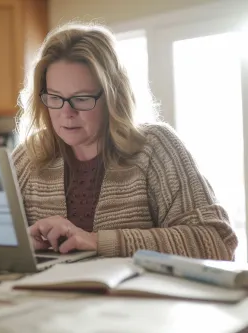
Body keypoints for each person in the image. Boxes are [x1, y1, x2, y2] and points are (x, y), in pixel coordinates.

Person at [12, 22, 238, 261]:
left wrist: (97, 241)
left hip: (138, 297)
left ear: (113, 97)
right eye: (55, 97)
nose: (66, 113)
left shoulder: (155, 148)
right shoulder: (30, 156)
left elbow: (215, 242)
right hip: (49, 297)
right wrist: (20, 241)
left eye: (81, 98)